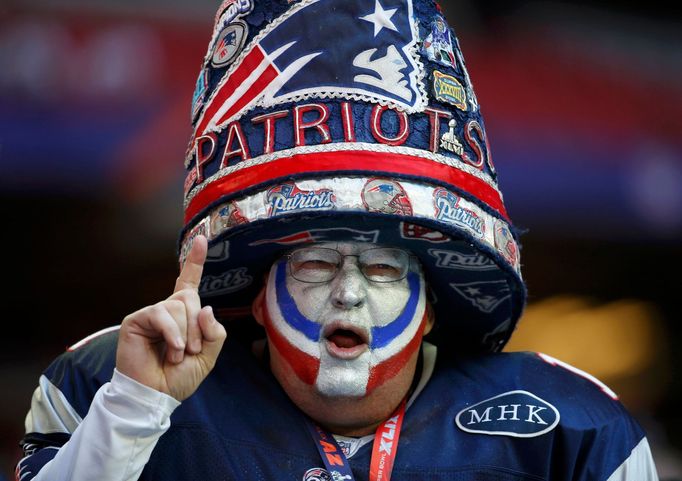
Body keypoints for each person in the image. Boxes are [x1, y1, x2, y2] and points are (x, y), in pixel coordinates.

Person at [16, 1, 659, 480]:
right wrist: (132, 412)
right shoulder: (109, 384)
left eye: (383, 272)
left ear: (432, 304)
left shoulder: (571, 428)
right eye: (316, 265)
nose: (348, 293)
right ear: (259, 297)